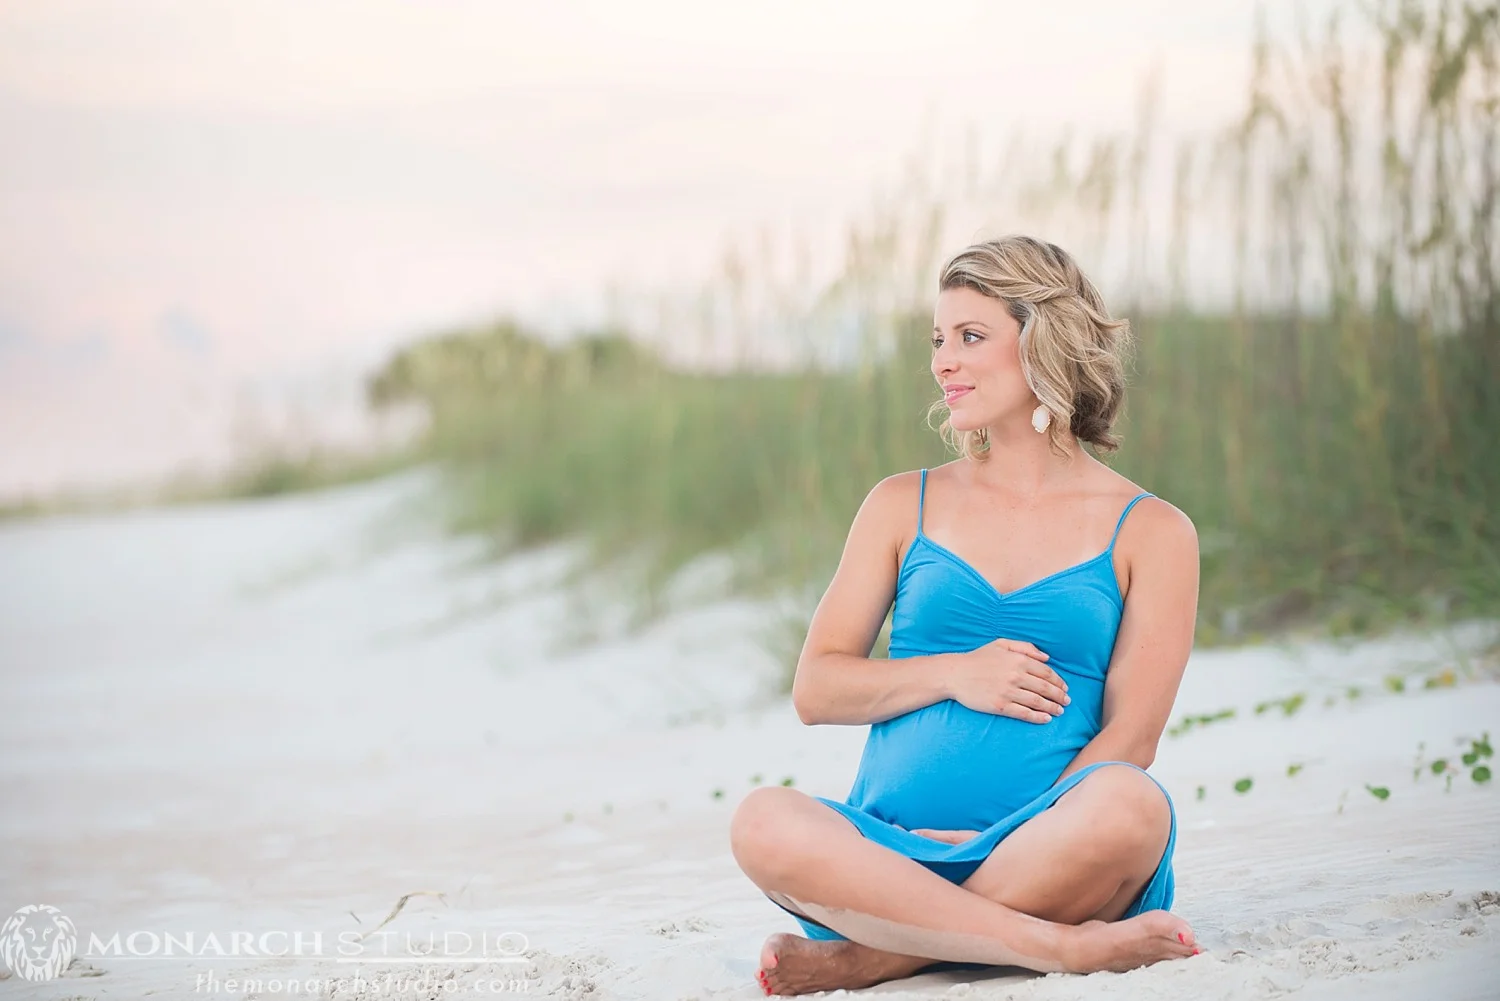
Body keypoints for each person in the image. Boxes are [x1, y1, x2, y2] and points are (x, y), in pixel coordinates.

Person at [729, 236, 1202, 996]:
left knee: (1131, 807)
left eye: (971, 337)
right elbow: (817, 690)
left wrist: (1010, 835)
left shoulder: (1153, 530)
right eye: (939, 340)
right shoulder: (899, 504)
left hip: (1053, 854)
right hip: (890, 859)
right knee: (761, 819)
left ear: (1044, 343)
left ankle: (879, 956)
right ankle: (1054, 945)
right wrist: (957, 672)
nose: (943, 360)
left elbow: (1131, 737)